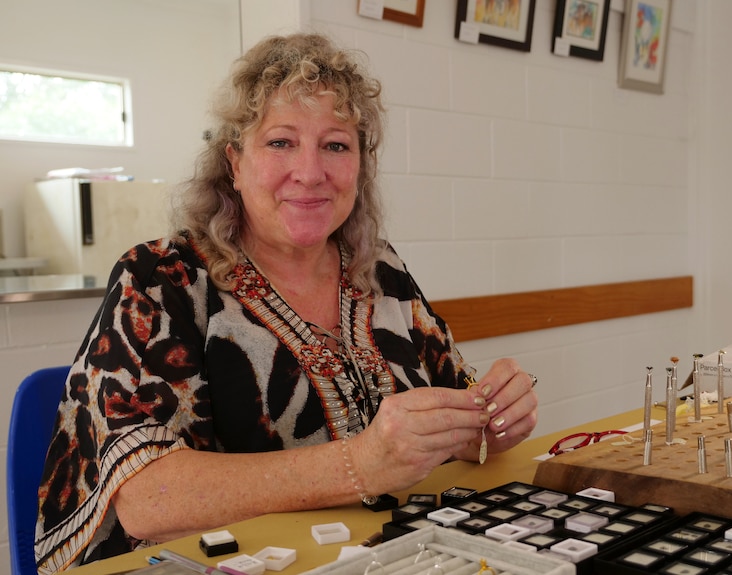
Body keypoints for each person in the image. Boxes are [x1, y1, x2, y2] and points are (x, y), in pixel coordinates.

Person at [34, 32, 538, 574]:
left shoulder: (381, 272)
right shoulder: (162, 281)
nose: (311, 171)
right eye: (281, 142)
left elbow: (454, 415)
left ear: (360, 166)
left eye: (336, 145)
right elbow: (146, 501)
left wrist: (490, 420)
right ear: (234, 161)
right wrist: (361, 465)